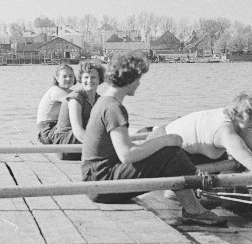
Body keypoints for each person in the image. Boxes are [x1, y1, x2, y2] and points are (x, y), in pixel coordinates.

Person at [81, 51, 225, 226]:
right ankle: (194, 209)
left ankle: (192, 204)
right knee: (171, 154)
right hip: (101, 185)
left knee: (168, 152)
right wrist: (165, 141)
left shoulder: (104, 101)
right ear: (129, 77)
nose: (140, 82)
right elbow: (126, 155)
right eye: (138, 77)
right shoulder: (113, 108)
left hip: (96, 180)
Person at [153, 93, 252, 172]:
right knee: (237, 161)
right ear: (238, 115)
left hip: (185, 146)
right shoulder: (225, 132)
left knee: (232, 160)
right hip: (161, 145)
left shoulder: (239, 121)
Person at [52, 60, 105, 159]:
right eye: (86, 77)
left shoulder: (99, 99)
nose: (89, 81)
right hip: (65, 146)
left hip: (82, 143)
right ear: (80, 78)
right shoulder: (75, 98)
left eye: (93, 77)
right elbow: (78, 131)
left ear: (99, 79)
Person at [36, 64, 76, 145]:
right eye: (64, 76)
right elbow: (77, 102)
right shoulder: (55, 91)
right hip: (48, 131)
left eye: (71, 76)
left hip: (56, 128)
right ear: (57, 79)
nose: (68, 79)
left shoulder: (70, 92)